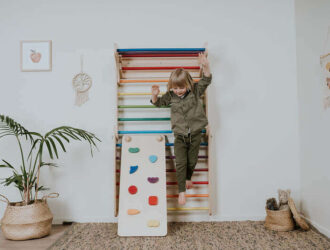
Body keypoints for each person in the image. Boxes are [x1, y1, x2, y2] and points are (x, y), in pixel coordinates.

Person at [150, 53, 212, 205]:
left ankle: (188, 178)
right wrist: (154, 96)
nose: (178, 90)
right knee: (181, 163)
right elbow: (159, 104)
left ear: (189, 84)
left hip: (196, 133)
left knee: (192, 161)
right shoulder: (171, 96)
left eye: (182, 87)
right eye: (175, 88)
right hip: (179, 135)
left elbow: (207, 79)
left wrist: (206, 65)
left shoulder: (196, 91)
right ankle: (182, 192)